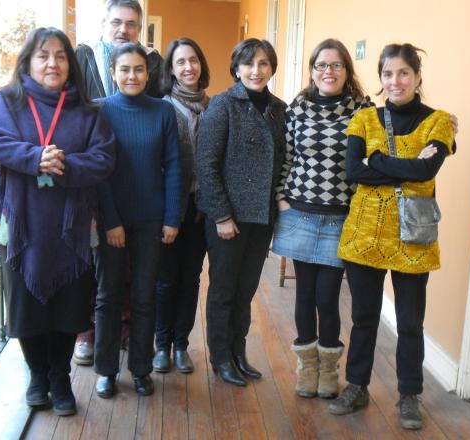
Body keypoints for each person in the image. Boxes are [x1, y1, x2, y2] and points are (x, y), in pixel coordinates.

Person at [0, 27, 116, 416]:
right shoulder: (7, 102)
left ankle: (60, 378)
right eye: (43, 55)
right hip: (21, 226)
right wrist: (31, 157)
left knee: (70, 304)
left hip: (73, 227)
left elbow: (103, 158)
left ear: (71, 63)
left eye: (61, 55)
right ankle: (37, 375)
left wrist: (61, 164)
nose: (53, 63)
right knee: (26, 305)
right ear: (28, 62)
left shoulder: (85, 109)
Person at [329, 43, 454, 431]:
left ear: (417, 77)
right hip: (364, 234)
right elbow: (353, 172)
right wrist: (406, 166)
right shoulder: (365, 119)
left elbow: (426, 172)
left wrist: (377, 161)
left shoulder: (440, 122)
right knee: (364, 318)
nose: (395, 81)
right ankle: (357, 386)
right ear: (380, 79)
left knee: (410, 321)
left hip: (412, 237)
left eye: (403, 73)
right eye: (388, 74)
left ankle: (409, 395)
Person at [273, 39, 370, 399]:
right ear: (312, 71)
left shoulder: (364, 111)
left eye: (336, 65)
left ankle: (329, 368)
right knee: (304, 296)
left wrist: (443, 125)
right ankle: (307, 366)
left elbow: (392, 137)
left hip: (339, 218)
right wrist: (282, 198)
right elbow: (285, 158)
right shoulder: (297, 108)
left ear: (347, 70)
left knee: (327, 297)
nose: (328, 71)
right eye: (321, 65)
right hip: (299, 212)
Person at [74, 0, 164, 366]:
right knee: (90, 264)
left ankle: (124, 332)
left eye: (131, 24)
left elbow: (155, 106)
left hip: (135, 177)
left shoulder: (151, 62)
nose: (123, 29)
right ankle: (86, 334)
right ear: (103, 23)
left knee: (127, 270)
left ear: (139, 29)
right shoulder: (82, 56)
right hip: (90, 175)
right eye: (116, 22)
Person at [196, 38, 286, 387]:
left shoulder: (279, 108)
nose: (256, 70)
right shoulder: (222, 105)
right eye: (249, 64)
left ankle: (238, 351)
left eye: (263, 63)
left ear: (271, 68)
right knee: (223, 290)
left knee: (246, 290)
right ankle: (220, 357)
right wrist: (221, 215)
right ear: (236, 68)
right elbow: (206, 164)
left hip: (261, 217)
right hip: (228, 219)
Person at [93, 43, 181, 398]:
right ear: (113, 73)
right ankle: (107, 371)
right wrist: (110, 220)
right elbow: (98, 172)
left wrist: (172, 217)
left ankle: (141, 369)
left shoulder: (163, 111)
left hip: (151, 218)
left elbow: (174, 164)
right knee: (108, 295)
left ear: (149, 73)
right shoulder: (99, 112)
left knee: (145, 296)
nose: (132, 76)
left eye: (139, 70)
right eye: (125, 69)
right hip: (111, 218)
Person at [152, 38, 210, 374]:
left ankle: (181, 346)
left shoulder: (213, 106)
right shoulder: (162, 107)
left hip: (202, 209)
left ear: (201, 64)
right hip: (170, 208)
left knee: (190, 279)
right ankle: (161, 345)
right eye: (180, 62)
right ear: (171, 70)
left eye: (193, 60)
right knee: (165, 279)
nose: (188, 67)